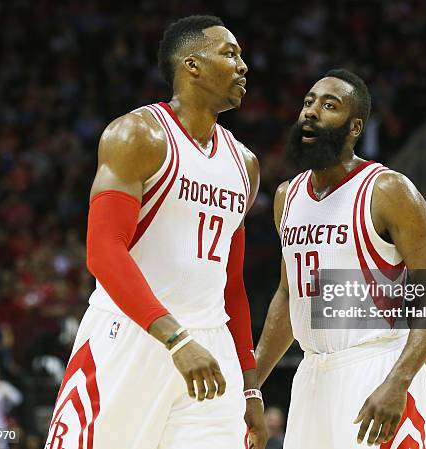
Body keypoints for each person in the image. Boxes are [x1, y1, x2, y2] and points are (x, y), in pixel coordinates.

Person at [44, 15, 266, 449]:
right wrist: (175, 338)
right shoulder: (137, 135)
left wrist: (250, 382)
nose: (244, 66)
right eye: (230, 54)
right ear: (191, 65)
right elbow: (103, 251)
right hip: (132, 336)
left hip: (210, 344)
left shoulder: (246, 164)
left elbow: (232, 286)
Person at [255, 69, 426, 448]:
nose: (311, 112)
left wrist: (399, 381)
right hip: (311, 373)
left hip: (376, 367)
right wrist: (251, 385)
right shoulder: (287, 197)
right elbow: (287, 293)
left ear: (354, 127)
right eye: (308, 102)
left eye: (330, 106)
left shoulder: (388, 190)